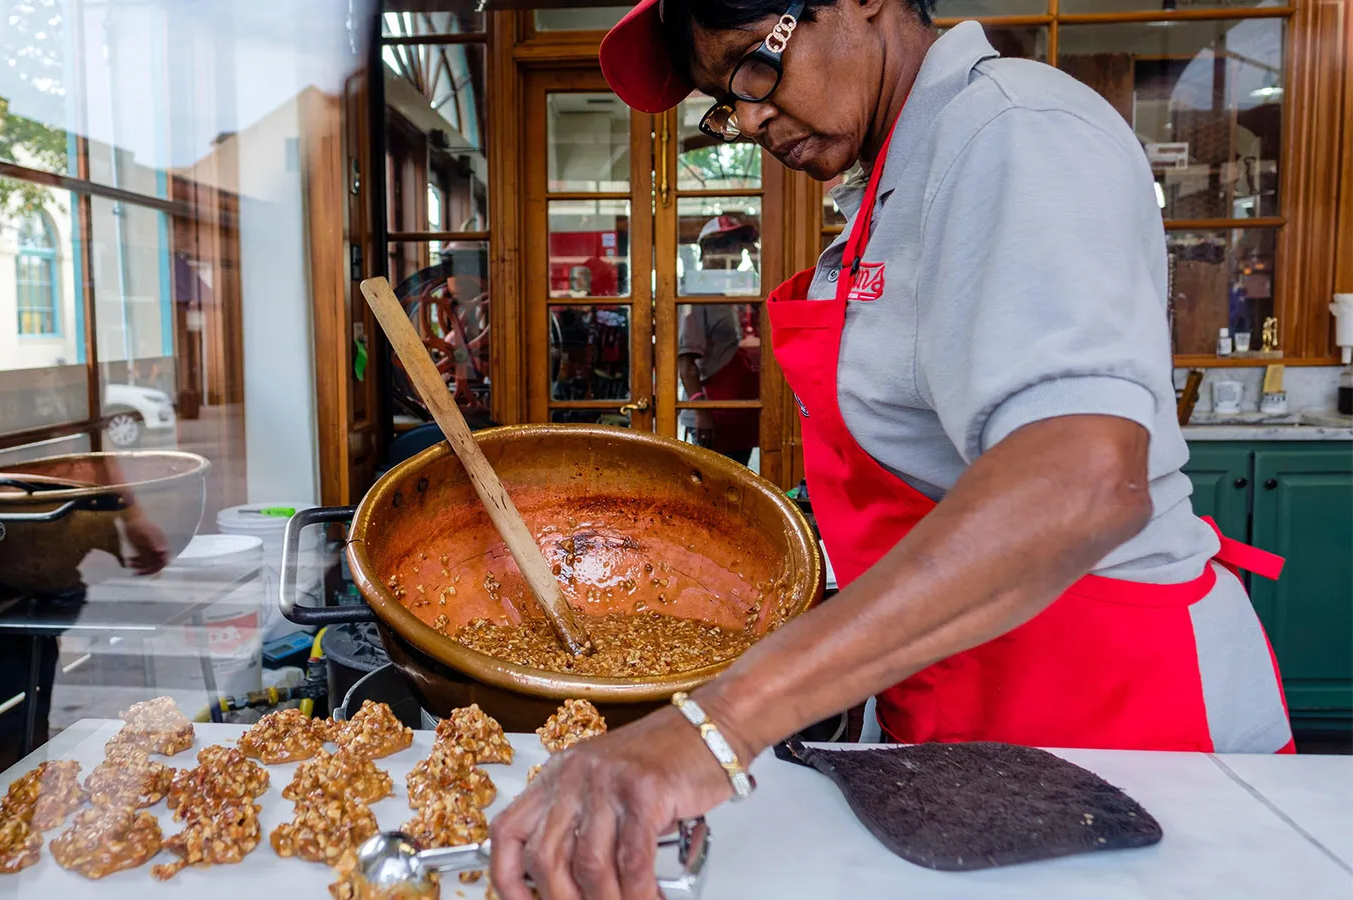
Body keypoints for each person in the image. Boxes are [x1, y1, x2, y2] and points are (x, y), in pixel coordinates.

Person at [489, 1, 1295, 896]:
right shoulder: (893, 183)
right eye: (724, 99)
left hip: (1114, 711)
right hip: (969, 708)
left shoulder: (1012, 133)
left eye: (755, 66)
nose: (749, 115)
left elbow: (1081, 479)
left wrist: (722, 721)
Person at [679, 215, 762, 464]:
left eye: (737, 244)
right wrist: (701, 412)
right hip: (713, 411)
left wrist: (755, 255)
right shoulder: (694, 293)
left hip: (744, 407)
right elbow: (686, 362)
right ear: (708, 250)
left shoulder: (741, 288)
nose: (734, 251)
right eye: (727, 243)